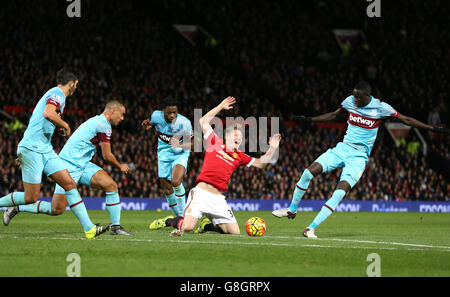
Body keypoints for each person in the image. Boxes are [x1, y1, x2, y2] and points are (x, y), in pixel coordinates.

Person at [272, 81, 450, 238]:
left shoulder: (381, 108)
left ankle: (310, 228)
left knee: (340, 191)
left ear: (367, 95)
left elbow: (406, 119)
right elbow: (334, 115)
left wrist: (431, 128)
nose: (354, 99)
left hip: (358, 157)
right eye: (354, 96)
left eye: (358, 97)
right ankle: (292, 210)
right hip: (342, 148)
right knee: (307, 172)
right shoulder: (350, 101)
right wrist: (309, 119)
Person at [0, 68, 110, 239]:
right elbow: (48, 113)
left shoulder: (56, 96)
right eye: (76, 85)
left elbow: (43, 119)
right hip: (34, 148)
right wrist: (65, 125)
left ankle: (89, 229)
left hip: (44, 149)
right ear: (72, 83)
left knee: (69, 183)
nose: (76, 88)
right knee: (31, 197)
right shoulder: (58, 93)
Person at [150, 96, 282, 236]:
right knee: (187, 228)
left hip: (218, 199)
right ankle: (171, 221)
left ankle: (207, 226)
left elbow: (261, 163)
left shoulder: (240, 156)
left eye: (241, 137)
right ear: (227, 137)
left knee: (235, 233)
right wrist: (220, 106)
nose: (239, 139)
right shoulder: (215, 142)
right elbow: (203, 121)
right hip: (201, 194)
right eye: (236, 135)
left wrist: (272, 148)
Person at [3, 101, 132, 235]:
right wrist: (120, 166)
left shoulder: (97, 121)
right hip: (68, 165)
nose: (122, 118)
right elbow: (107, 155)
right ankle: (18, 208)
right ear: (112, 111)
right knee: (56, 209)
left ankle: (116, 228)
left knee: (111, 185)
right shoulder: (103, 125)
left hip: (82, 164)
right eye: (121, 114)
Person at [141, 96, 193, 217]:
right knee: (167, 189)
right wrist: (147, 125)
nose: (172, 115)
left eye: (174, 112)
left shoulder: (184, 123)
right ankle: (179, 217)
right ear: (163, 111)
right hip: (163, 152)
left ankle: (183, 216)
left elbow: (194, 143)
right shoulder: (156, 116)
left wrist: (180, 144)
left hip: (180, 153)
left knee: (175, 181)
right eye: (169, 112)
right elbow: (151, 123)